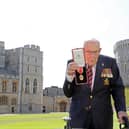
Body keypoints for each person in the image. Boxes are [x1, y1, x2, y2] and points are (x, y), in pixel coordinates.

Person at [63, 39, 129, 129]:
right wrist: (69, 77)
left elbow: (117, 89)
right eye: (88, 52)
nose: (91, 56)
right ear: (83, 51)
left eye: (95, 52)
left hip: (103, 119)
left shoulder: (109, 63)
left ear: (100, 50)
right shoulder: (73, 64)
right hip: (78, 119)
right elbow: (68, 93)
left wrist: (121, 110)